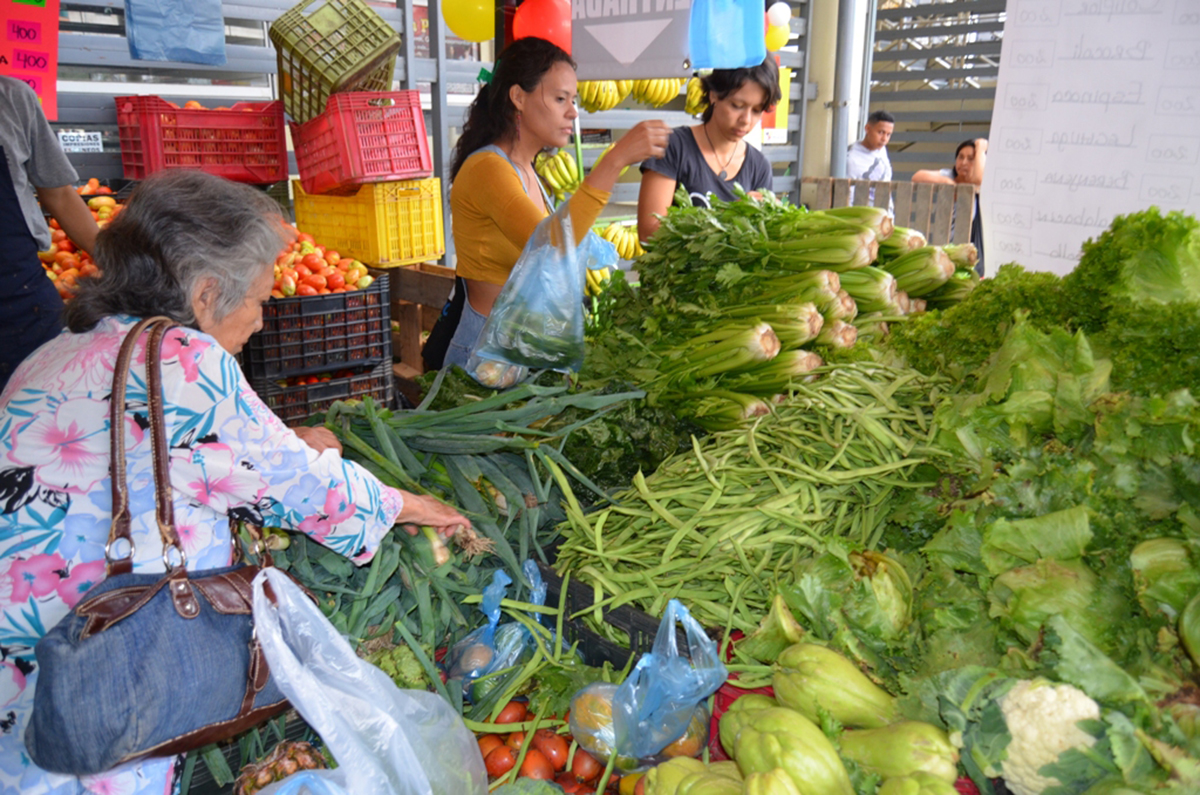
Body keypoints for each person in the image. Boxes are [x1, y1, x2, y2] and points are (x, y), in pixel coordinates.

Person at [0, 170, 470, 793]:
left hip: (26, 657)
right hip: (103, 663)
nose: (259, 321)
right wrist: (411, 505)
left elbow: (166, 449)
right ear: (205, 294)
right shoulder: (184, 362)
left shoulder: (59, 349)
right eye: (255, 299)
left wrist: (287, 444)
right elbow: (312, 493)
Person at [433, 36, 670, 370]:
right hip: (484, 359)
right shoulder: (488, 169)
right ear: (518, 97)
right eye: (560, 99)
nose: (572, 112)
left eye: (572, 100)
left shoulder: (527, 169)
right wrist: (614, 160)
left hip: (519, 350)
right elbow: (552, 244)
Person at [0, 75, 101, 395]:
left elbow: (57, 193)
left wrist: (113, 257)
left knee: (47, 405)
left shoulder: (13, 98)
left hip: (18, 294)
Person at [636, 58, 782, 241]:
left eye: (756, 110)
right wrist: (730, 216)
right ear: (714, 95)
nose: (746, 120)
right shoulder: (673, 147)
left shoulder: (759, 166)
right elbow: (649, 234)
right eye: (737, 106)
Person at [912, 137, 988, 275]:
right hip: (941, 242)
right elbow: (917, 176)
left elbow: (978, 179)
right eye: (960, 157)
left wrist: (981, 149)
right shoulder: (949, 175)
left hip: (965, 249)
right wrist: (945, 181)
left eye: (971, 158)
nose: (963, 162)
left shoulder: (981, 184)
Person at [846, 110, 894, 183]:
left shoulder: (882, 150)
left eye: (888, 134)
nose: (884, 139)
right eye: (881, 132)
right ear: (867, 129)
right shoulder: (851, 159)